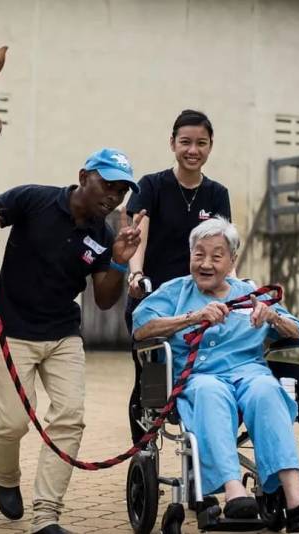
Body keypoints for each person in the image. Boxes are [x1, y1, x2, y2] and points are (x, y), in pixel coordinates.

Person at [131, 216, 299, 527]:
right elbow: (141, 327)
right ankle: (234, 491)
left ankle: (297, 497)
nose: (206, 263)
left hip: (250, 374)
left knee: (267, 391)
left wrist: (272, 318)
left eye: (216, 256)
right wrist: (192, 317)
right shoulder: (175, 292)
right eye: (199, 254)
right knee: (211, 393)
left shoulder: (251, 294)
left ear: (232, 260)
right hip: (199, 378)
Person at [0, 148, 146, 534]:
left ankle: (46, 515)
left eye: (121, 190)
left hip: (62, 337)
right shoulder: (33, 199)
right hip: (11, 331)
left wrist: (121, 261)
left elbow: (105, 300)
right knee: (13, 422)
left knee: (70, 418)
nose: (113, 196)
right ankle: (5, 477)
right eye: (107, 184)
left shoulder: (103, 235)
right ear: (83, 176)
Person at [124, 109, 231, 443]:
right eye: (185, 142)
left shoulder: (217, 194)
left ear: (211, 146)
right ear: (172, 143)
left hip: (200, 297)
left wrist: (235, 289)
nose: (193, 150)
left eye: (201, 143)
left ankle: (203, 441)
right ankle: (143, 447)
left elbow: (224, 248)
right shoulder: (151, 186)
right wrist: (137, 274)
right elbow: (137, 235)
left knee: (205, 370)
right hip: (157, 299)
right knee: (152, 377)